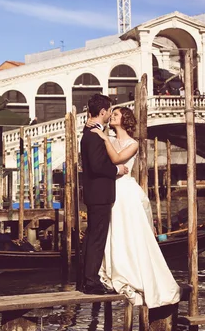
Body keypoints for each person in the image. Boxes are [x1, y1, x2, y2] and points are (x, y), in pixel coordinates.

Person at [89, 106, 181, 307]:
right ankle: (114, 270)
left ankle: (132, 271)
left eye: (116, 115)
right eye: (111, 114)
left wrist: (104, 138)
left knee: (130, 232)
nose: (112, 116)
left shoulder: (133, 144)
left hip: (126, 192)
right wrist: (96, 128)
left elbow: (116, 159)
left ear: (125, 120)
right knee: (113, 232)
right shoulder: (108, 138)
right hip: (110, 189)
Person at [80, 94, 129, 295]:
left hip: (95, 194)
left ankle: (87, 279)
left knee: (93, 237)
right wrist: (117, 171)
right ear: (102, 112)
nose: (110, 114)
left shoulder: (90, 132)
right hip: (100, 194)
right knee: (96, 238)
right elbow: (99, 165)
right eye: (109, 111)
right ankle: (91, 282)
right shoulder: (94, 135)